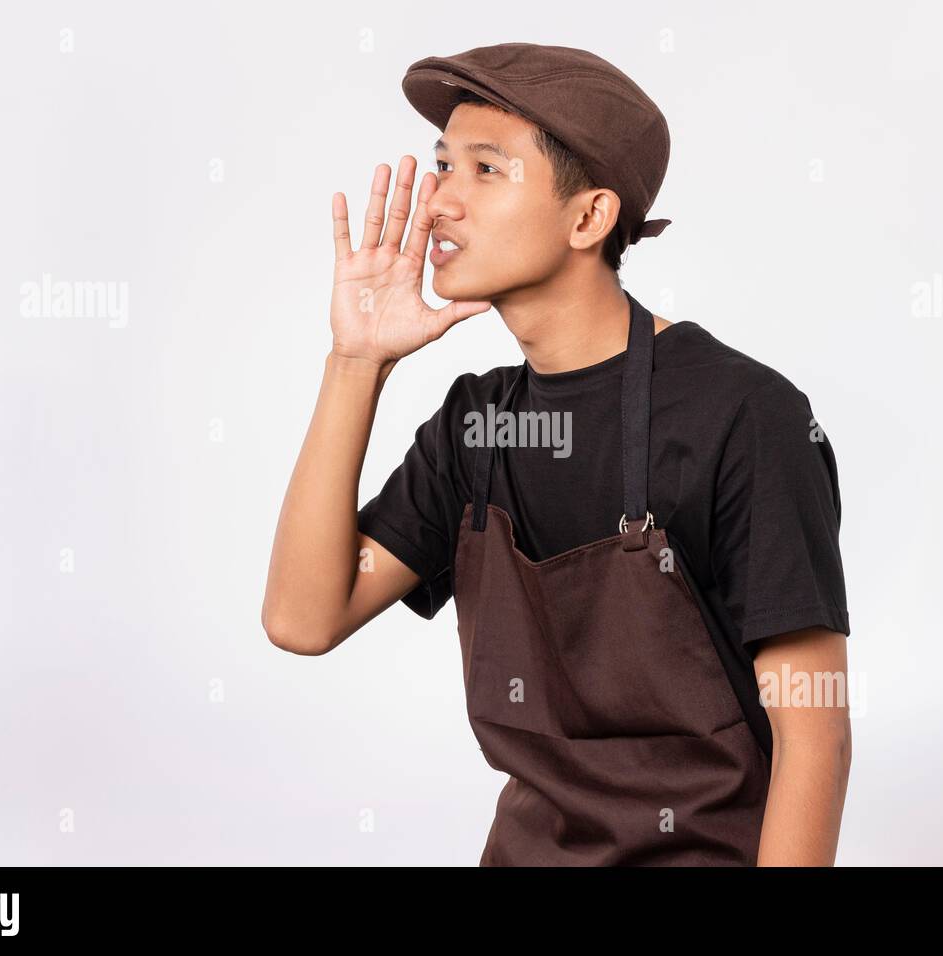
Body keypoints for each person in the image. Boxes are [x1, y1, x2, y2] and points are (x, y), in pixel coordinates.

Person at [263, 43, 852, 866]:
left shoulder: (742, 416)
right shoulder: (478, 424)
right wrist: (356, 362)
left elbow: (814, 735)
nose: (438, 204)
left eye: (484, 170)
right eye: (442, 166)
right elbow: (302, 618)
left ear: (588, 219)